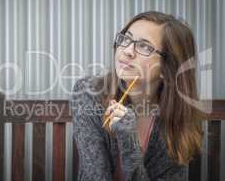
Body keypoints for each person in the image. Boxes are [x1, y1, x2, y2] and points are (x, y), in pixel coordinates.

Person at [70, 11, 207, 181]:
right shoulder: (88, 93)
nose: (127, 51)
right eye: (126, 39)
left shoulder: (177, 118)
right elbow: (95, 176)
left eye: (144, 46)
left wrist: (128, 138)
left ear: (167, 68)